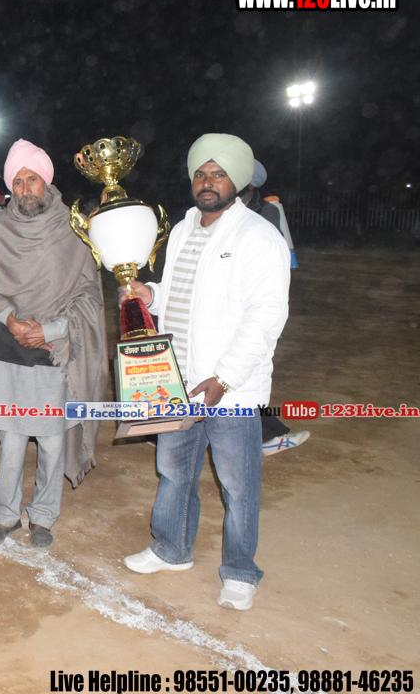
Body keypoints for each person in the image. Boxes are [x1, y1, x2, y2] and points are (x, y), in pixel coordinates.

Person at [122, 134, 290, 612]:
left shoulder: (258, 237)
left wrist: (225, 378)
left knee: (238, 486)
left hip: (228, 389)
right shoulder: (181, 229)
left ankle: (239, 572)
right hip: (176, 380)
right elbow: (182, 295)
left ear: (238, 181)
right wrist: (151, 295)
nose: (208, 182)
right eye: (200, 173)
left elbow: (266, 318)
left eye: (218, 174)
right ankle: (171, 549)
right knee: (174, 473)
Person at [0, 140, 108, 550]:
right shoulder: (1, 229)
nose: (25, 190)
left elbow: (88, 297)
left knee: (52, 442)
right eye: (17, 182)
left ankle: (43, 518)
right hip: (11, 347)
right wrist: (10, 319)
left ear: (46, 181)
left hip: (55, 350)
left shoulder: (73, 229)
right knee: (11, 442)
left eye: (32, 179)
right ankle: (5, 516)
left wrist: (49, 330)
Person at [238, 162, 309, 455]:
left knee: (246, 369)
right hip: (225, 302)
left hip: (250, 300)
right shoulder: (214, 209)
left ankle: (266, 436)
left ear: (250, 186)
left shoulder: (265, 213)